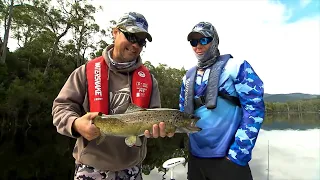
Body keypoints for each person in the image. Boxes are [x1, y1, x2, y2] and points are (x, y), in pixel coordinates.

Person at [52, 12, 173, 180]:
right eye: (131, 36)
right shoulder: (85, 72)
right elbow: (61, 108)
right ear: (115, 32)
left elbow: (156, 115)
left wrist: (159, 130)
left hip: (132, 169)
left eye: (141, 41)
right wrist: (76, 123)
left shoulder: (150, 80)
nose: (135, 45)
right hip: (90, 167)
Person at [179, 22, 265, 180]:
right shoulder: (187, 78)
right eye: (194, 42)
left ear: (215, 40)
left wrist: (238, 154)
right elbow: (182, 118)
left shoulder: (237, 66)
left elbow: (255, 110)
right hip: (196, 160)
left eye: (204, 40)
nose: (198, 45)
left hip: (228, 159)